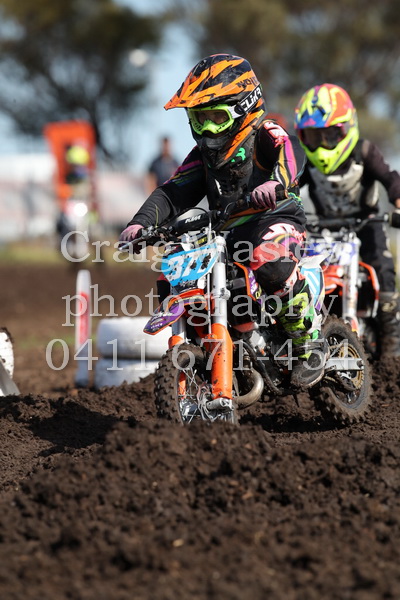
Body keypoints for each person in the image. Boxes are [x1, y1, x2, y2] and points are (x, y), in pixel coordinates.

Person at [120, 53, 326, 388]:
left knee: (267, 259)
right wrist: (139, 224)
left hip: (275, 217)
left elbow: (291, 151)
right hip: (225, 232)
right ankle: (229, 341)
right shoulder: (203, 157)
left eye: (216, 117)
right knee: (173, 273)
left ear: (244, 107)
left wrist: (276, 182)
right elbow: (173, 192)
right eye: (199, 119)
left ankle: (307, 342)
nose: (207, 128)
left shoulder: (264, 134)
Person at [294, 83, 400, 358]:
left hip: (367, 223)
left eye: (330, 135)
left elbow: (390, 178)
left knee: (383, 270)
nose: (322, 144)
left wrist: (398, 199)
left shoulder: (364, 152)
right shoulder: (308, 163)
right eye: (314, 137)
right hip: (323, 228)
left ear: (346, 127)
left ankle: (391, 349)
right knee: (306, 275)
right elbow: (290, 187)